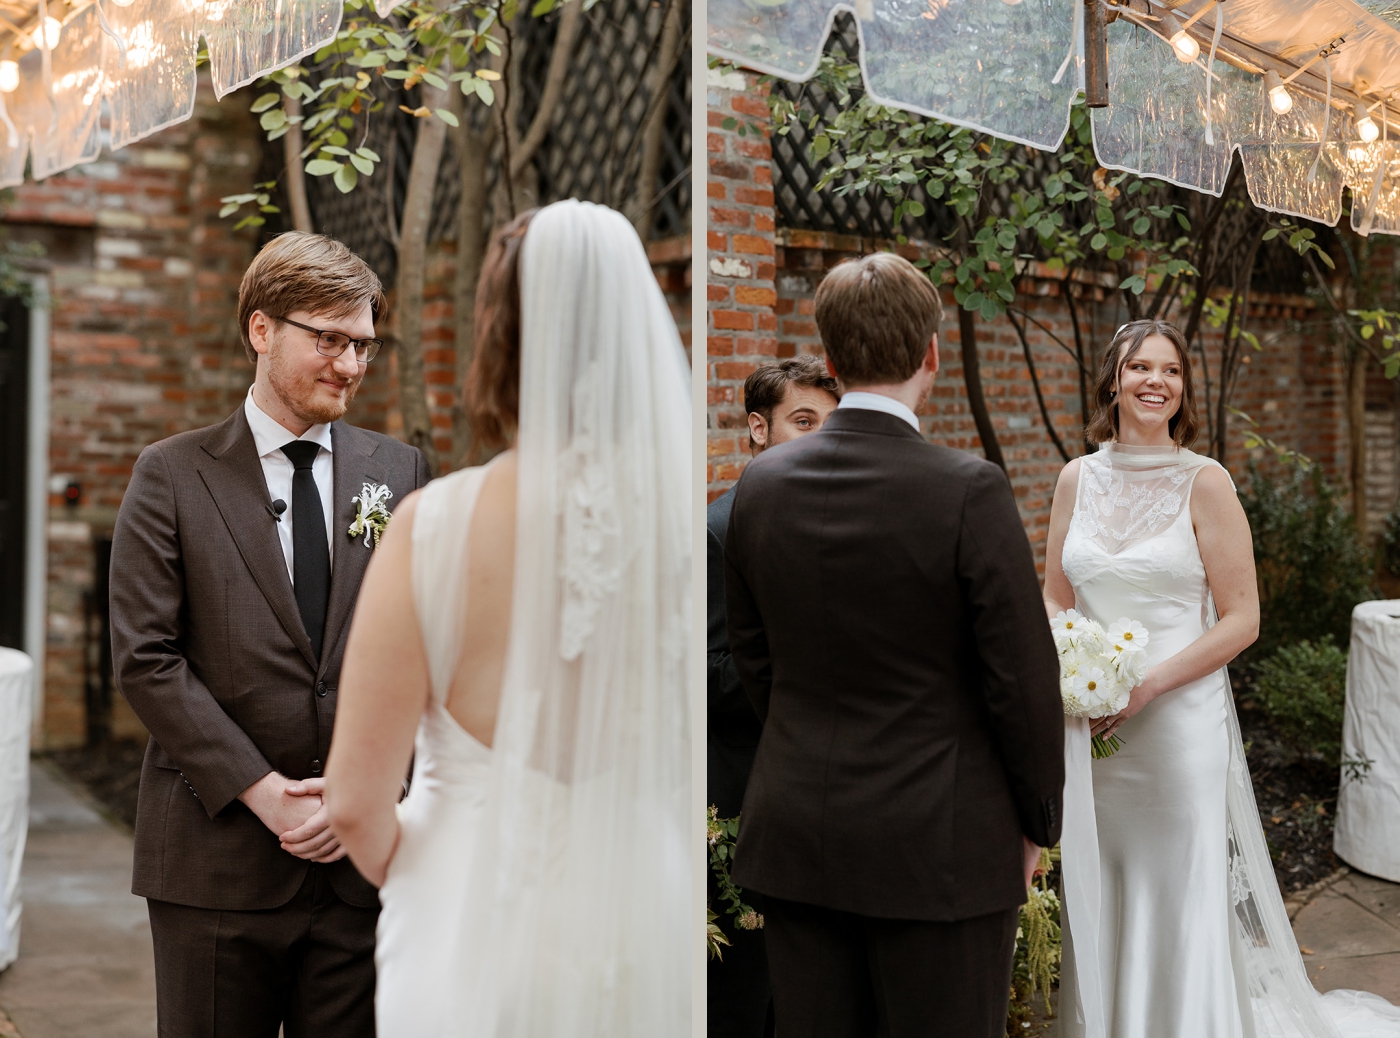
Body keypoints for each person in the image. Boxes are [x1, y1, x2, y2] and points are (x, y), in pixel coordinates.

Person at [324, 200, 691, 1037]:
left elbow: (352, 802)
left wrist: (435, 869)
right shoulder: (676, 531)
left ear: (499, 337)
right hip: (639, 912)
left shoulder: (434, 525)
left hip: (466, 915)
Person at [723, 252, 1064, 1038]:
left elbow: (757, 661)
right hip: (942, 848)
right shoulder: (969, 489)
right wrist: (1038, 822)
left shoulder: (761, 487)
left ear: (833, 363)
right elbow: (1021, 680)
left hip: (800, 836)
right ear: (932, 356)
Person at [108, 232, 430, 1037]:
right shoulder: (171, 474)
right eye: (329, 341)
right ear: (262, 330)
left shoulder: (402, 472)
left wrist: (375, 789)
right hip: (215, 864)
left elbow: (429, 650)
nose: (351, 366)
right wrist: (264, 794)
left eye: (363, 345)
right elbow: (147, 659)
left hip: (361, 874)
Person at [1045, 319, 1400, 1038]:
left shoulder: (1205, 482)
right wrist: (1073, 663)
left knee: (1177, 892)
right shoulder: (1074, 478)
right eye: (1139, 366)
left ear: (1184, 388)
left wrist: (1142, 686)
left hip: (1175, 729)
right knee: (1098, 879)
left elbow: (1242, 619)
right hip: (1094, 730)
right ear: (1112, 379)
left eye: (1171, 370)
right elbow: (1054, 592)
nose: (1155, 381)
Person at [708, 356, 838, 1038]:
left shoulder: (840, 527)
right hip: (743, 794)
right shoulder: (718, 530)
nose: (822, 437)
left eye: (831, 424)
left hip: (828, 797)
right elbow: (706, 673)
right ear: (758, 429)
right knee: (746, 995)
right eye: (803, 422)